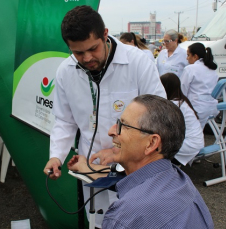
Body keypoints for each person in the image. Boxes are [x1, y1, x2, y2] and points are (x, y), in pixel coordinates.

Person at [43, 5, 166, 228]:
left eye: (93, 48)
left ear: (105, 35)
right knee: (100, 220)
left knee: (138, 220)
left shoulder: (138, 62)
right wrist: (56, 157)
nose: (87, 58)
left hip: (136, 164)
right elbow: (64, 120)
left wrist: (118, 150)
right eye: (78, 52)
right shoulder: (65, 72)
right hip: (93, 167)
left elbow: (160, 116)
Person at [68, 94, 214, 228]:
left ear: (151, 143)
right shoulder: (182, 183)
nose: (111, 131)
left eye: (123, 125)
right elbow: (123, 178)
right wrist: (86, 166)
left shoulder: (126, 216)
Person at [160, 73, 204, 166]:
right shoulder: (181, 101)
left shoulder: (173, 105)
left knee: (156, 150)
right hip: (196, 141)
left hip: (189, 145)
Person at [180, 42, 219, 129]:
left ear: (195, 56)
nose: (187, 58)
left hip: (196, 109)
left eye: (188, 55)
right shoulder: (212, 69)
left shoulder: (190, 69)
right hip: (212, 108)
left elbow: (182, 91)